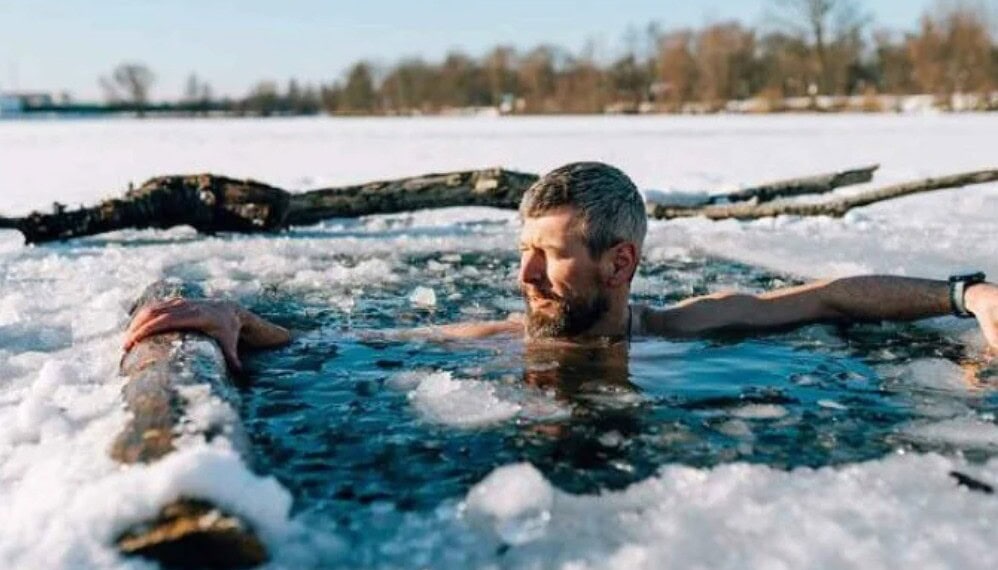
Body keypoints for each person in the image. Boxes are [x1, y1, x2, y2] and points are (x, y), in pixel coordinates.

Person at [124, 162, 998, 372]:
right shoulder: (504, 336)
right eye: (522, 256)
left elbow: (831, 296)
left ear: (621, 263)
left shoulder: (682, 326)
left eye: (547, 258)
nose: (525, 282)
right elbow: (359, 338)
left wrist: (969, 293)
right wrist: (244, 322)